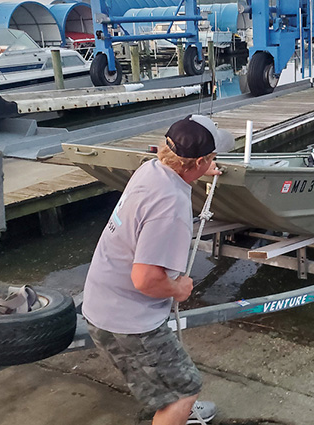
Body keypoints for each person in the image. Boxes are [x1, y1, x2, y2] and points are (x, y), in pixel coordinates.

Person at [83, 114, 234, 425]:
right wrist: (179, 289)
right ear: (196, 164)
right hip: (130, 323)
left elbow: (177, 175)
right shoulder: (172, 207)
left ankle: (176, 413)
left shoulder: (151, 169)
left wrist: (202, 169)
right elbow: (146, 279)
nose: (213, 162)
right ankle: (178, 412)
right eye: (211, 158)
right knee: (183, 390)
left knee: (165, 386)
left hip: (100, 306)